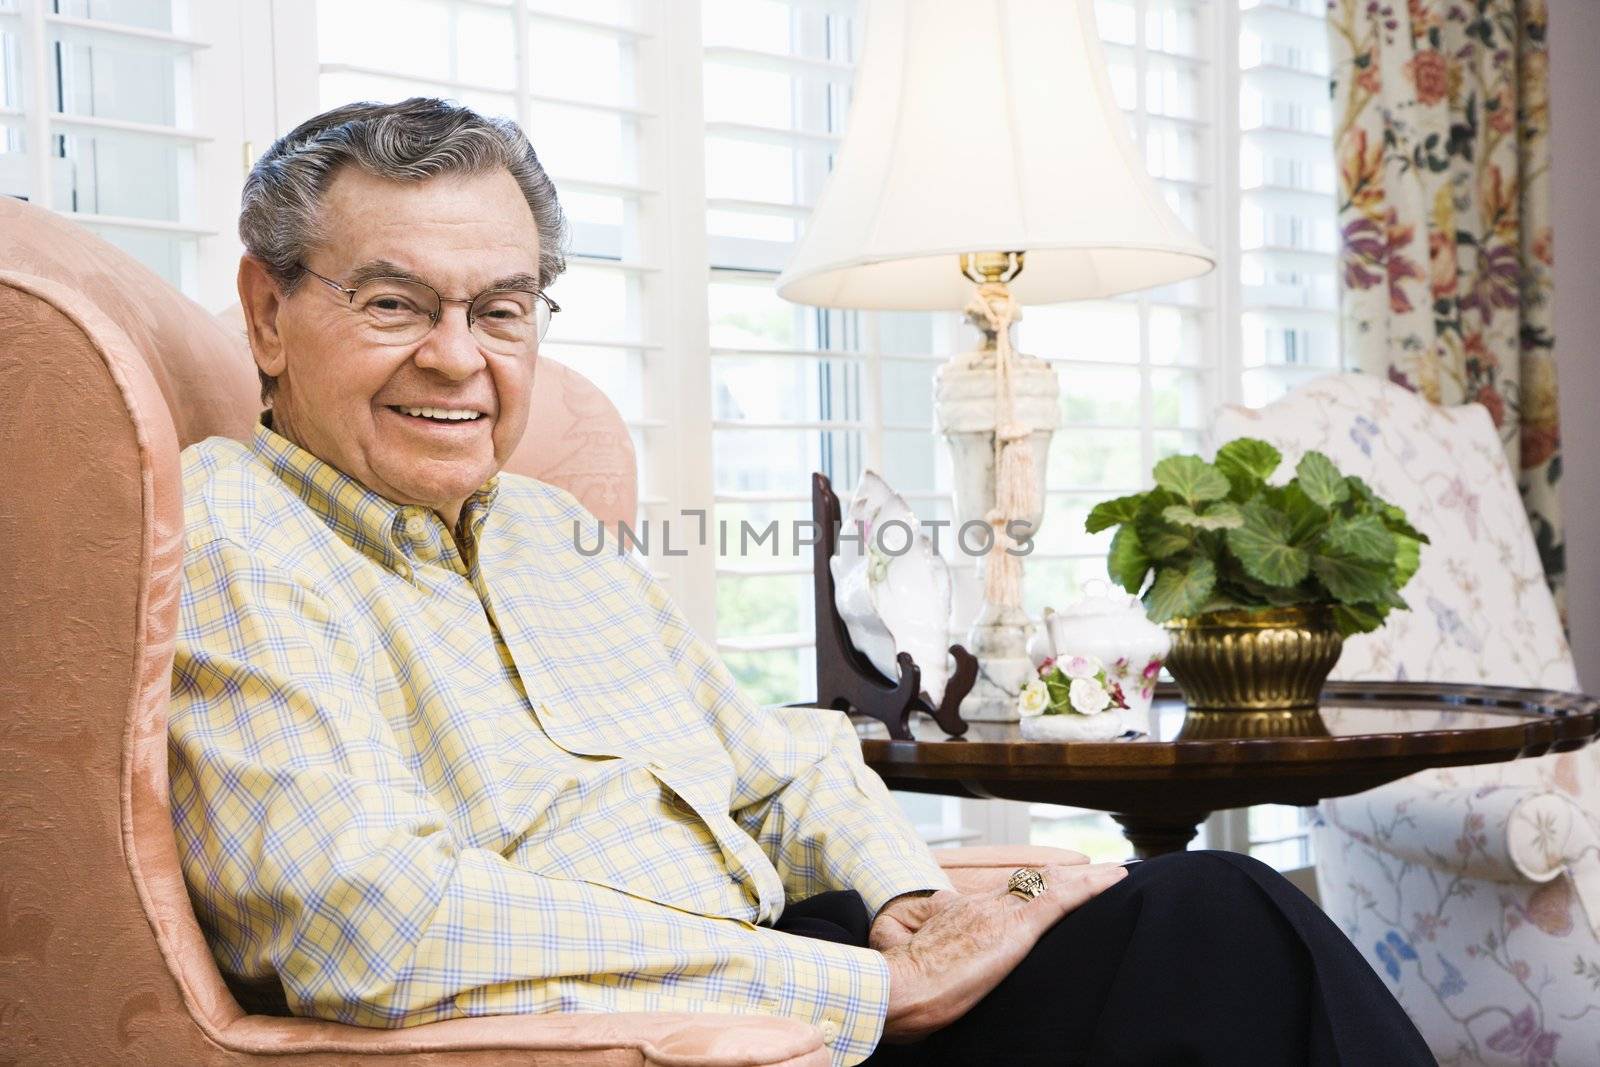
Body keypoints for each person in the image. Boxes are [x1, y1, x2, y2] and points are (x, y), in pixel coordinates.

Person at [168, 97, 1434, 1067]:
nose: (457, 360)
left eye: (502, 310)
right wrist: (863, 987)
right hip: (685, 1028)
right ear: (268, 313)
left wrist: (909, 901)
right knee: (1218, 931)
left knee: (1207, 915)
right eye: (395, 303)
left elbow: (782, 759)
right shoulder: (235, 527)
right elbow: (363, 915)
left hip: (799, 963)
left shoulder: (545, 526)